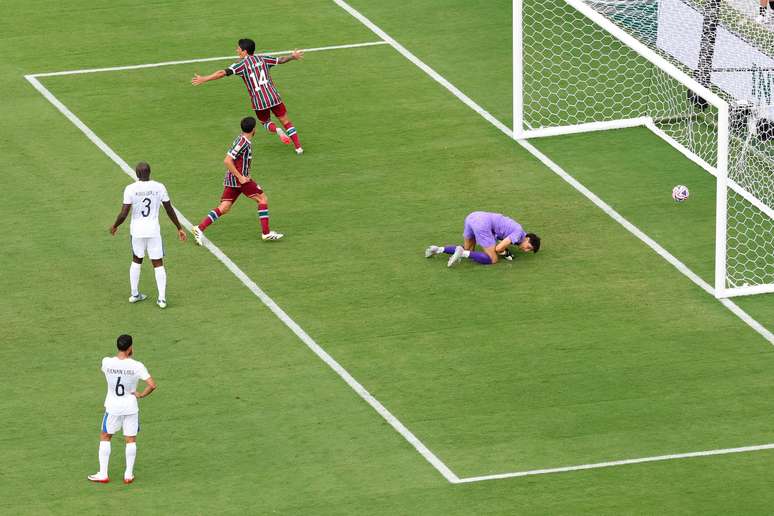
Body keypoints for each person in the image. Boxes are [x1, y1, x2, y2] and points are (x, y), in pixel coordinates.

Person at [192, 38, 305, 155]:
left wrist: (204, 78)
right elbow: (280, 60)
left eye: (238, 49)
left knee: (265, 122)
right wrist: (293, 56)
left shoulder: (240, 65)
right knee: (286, 121)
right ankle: (298, 148)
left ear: (245, 51)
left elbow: (222, 73)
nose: (237, 50)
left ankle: (276, 130)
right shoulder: (263, 59)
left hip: (259, 101)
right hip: (273, 96)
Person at [191, 117, 284, 245]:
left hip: (234, 180)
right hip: (240, 181)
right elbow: (227, 160)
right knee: (262, 199)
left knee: (224, 207)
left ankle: (199, 228)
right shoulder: (243, 143)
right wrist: (240, 177)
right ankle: (266, 233)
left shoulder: (241, 139)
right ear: (254, 129)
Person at [110, 162, 187, 309]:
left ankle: (134, 294)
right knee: (158, 263)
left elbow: (124, 213)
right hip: (153, 231)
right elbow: (169, 209)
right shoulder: (159, 187)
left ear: (137, 174)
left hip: (137, 232)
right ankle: (162, 299)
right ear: (150, 172)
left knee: (136, 260)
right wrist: (179, 227)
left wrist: (115, 226)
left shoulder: (130, 189)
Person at [88, 334, 156, 484]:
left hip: (113, 407)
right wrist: (141, 395)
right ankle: (128, 475)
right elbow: (152, 385)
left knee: (105, 436)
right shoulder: (137, 366)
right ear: (130, 348)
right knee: (130, 440)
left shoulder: (106, 362)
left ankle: (103, 474)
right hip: (130, 407)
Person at [425, 211, 540, 267]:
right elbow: (498, 248)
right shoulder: (518, 234)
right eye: (528, 247)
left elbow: (497, 236)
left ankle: (437, 249)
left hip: (472, 217)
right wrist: (505, 253)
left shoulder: (517, 232)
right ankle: (462, 253)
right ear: (527, 238)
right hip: (483, 224)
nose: (526, 250)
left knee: (469, 249)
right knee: (493, 259)